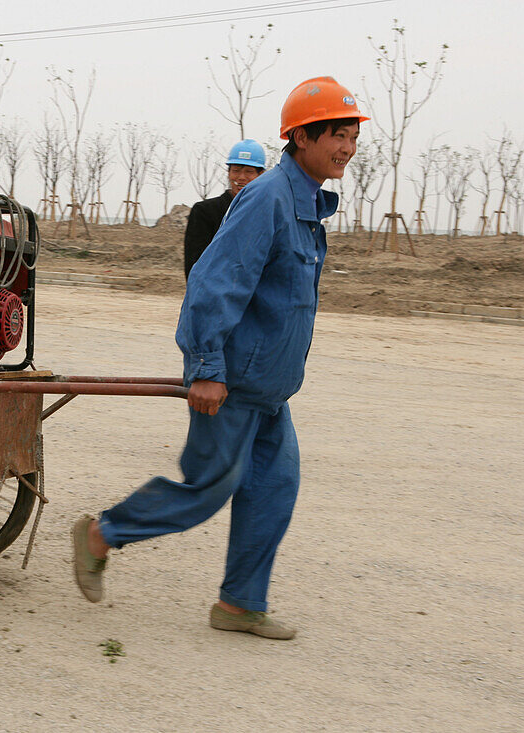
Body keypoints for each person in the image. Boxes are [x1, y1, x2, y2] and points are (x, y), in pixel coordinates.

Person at [72, 77, 367, 640]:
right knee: (207, 488)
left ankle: (238, 605)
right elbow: (213, 283)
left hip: (268, 391)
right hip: (231, 383)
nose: (347, 147)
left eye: (352, 135)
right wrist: (206, 368)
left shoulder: (303, 202)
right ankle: (100, 534)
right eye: (337, 134)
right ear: (301, 137)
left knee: (273, 491)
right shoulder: (269, 198)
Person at [183, 139, 266, 278]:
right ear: (228, 173)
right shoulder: (205, 212)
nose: (241, 177)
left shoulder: (266, 214)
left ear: (261, 175)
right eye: (236, 171)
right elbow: (194, 265)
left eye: (249, 172)